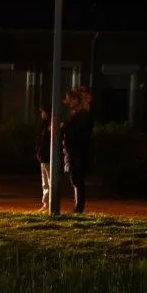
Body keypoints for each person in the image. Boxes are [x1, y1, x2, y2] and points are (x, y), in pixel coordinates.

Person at [61, 87, 94, 215]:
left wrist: (63, 129)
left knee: (77, 179)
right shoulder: (77, 116)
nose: (68, 103)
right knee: (75, 179)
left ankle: (78, 208)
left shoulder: (82, 116)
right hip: (75, 152)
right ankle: (78, 207)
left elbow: (76, 133)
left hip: (78, 153)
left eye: (70, 100)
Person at [35, 105, 51, 212]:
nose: (42, 114)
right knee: (45, 181)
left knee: (49, 181)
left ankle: (49, 203)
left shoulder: (50, 124)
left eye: (43, 112)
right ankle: (46, 203)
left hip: (48, 157)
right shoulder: (44, 124)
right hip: (43, 157)